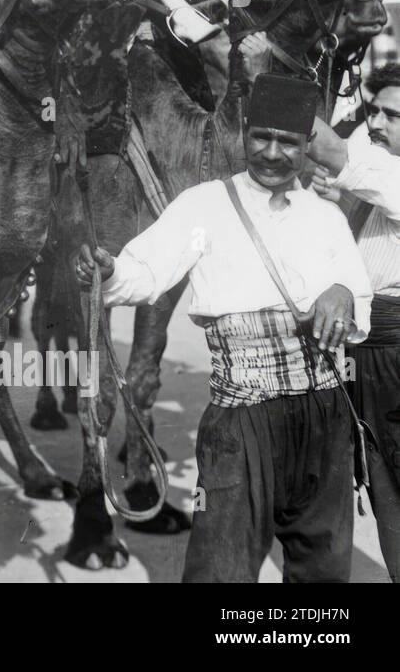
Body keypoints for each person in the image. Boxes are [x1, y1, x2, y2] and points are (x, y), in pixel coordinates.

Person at [75, 73, 372, 582]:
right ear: (244, 131)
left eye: (288, 142)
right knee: (219, 568)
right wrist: (110, 271)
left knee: (322, 570)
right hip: (240, 423)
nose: (272, 153)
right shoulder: (204, 205)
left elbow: (357, 296)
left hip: (325, 417)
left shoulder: (326, 217)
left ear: (307, 144)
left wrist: (342, 292)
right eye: (262, 137)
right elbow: (145, 271)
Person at [307, 62, 400, 581]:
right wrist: (340, 203)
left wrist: (264, 77)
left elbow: (329, 148)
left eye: (393, 115)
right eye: (375, 112)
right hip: (370, 356)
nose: (376, 124)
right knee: (384, 490)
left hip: (393, 355)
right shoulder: (383, 184)